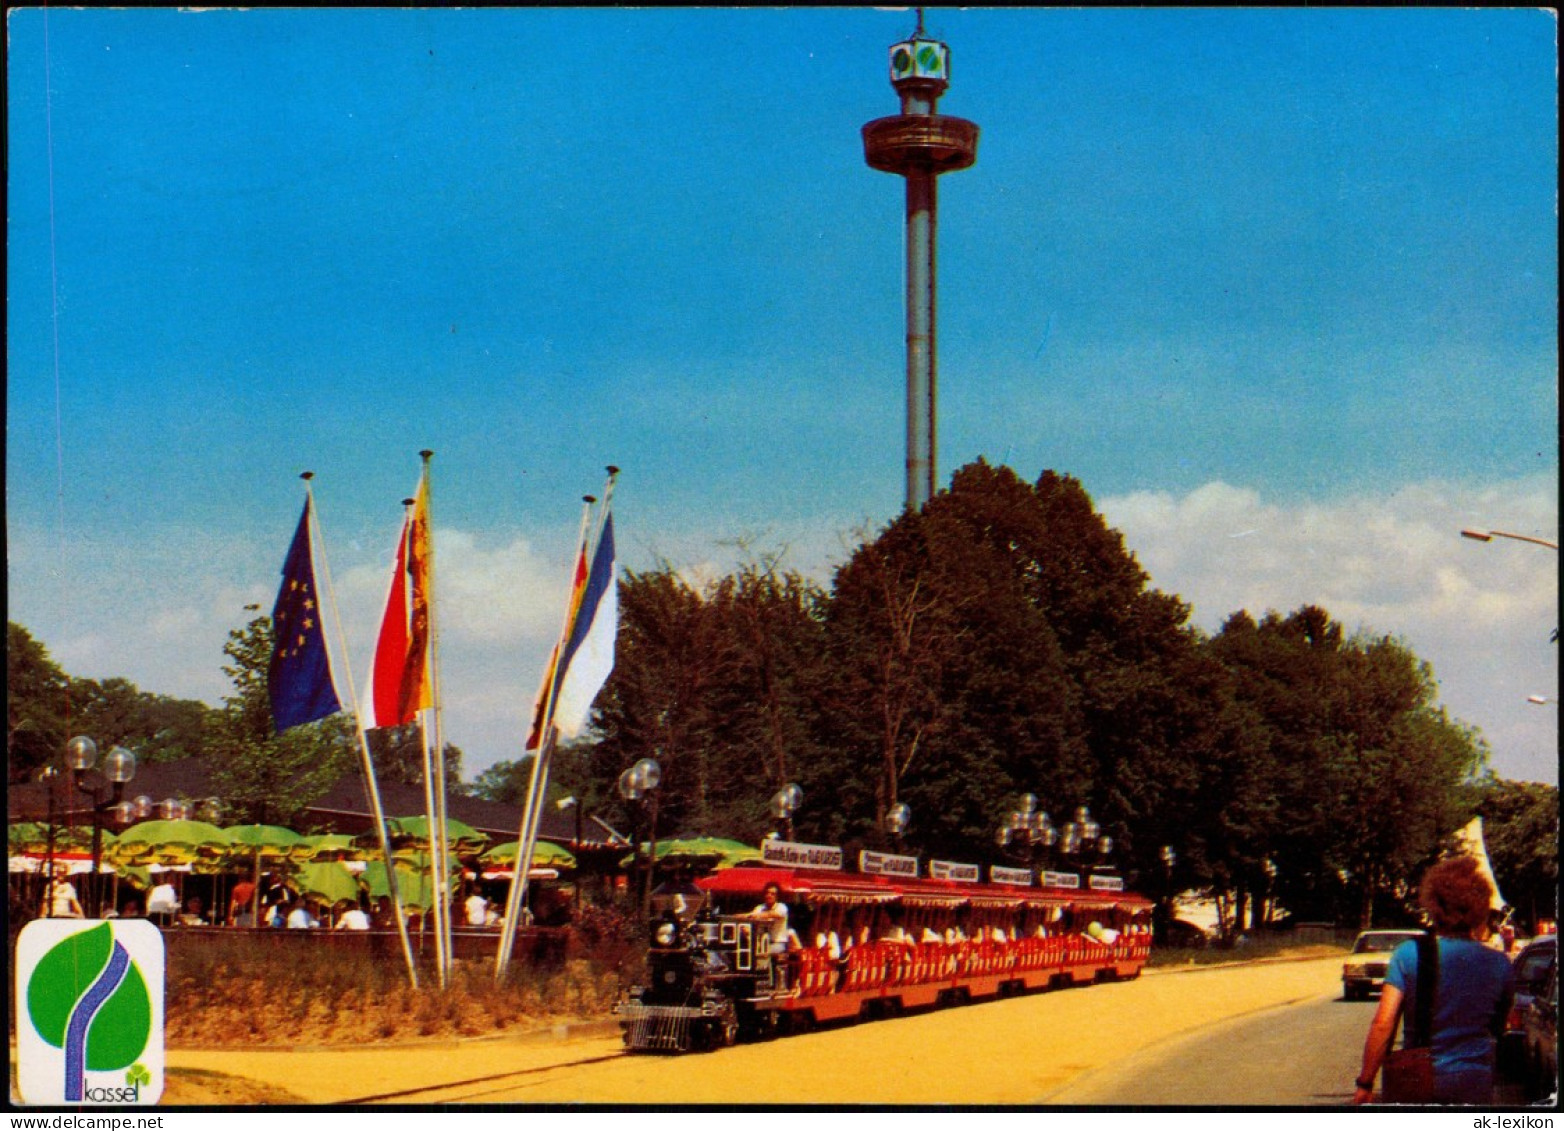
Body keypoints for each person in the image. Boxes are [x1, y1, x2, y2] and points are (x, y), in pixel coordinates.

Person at [1352, 855, 1516, 1106]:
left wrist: (1365, 1083)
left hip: (1420, 1080)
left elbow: (1384, 1023)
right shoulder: (1500, 964)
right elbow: (1499, 1025)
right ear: (1480, 907)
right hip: (1475, 1083)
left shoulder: (1409, 954)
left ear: (1434, 903)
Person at [744, 882, 790, 988]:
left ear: (777, 896)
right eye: (767, 893)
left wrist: (755, 916)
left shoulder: (782, 907)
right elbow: (750, 916)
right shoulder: (759, 907)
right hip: (761, 943)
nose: (769, 895)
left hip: (778, 943)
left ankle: (766, 984)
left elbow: (775, 915)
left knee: (764, 952)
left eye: (772, 894)